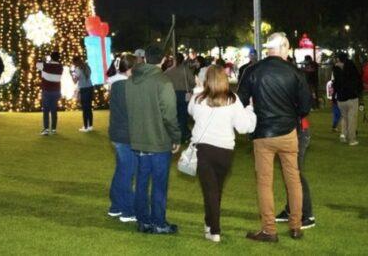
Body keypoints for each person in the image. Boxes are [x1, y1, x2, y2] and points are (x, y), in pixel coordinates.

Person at [238, 33, 312, 242]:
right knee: (293, 179)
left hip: (262, 133)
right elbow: (305, 107)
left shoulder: (252, 70)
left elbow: (240, 100)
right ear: (283, 47)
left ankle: (269, 229)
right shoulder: (295, 72)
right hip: (288, 131)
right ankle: (296, 226)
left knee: (264, 182)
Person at [188, 64, 257, 243]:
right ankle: (210, 225)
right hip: (224, 151)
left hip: (204, 149)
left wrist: (198, 88)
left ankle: (214, 228)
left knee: (211, 190)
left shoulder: (198, 99)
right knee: (215, 189)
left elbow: (190, 112)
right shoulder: (233, 99)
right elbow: (244, 127)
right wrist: (250, 110)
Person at [125, 44, 181, 235]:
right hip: (158, 140)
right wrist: (176, 137)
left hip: (139, 138)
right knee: (158, 184)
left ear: (145, 57)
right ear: (164, 60)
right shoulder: (163, 82)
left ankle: (143, 221)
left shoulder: (131, 81)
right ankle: (158, 222)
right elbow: (170, 115)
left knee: (141, 181)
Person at [107, 54, 138, 223]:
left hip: (117, 133)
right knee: (127, 172)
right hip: (126, 135)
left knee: (121, 171)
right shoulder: (127, 86)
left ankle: (116, 206)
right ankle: (127, 211)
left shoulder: (116, 84)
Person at [164, 52, 195, 142]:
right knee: (183, 116)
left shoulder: (168, 71)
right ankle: (182, 135)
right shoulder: (186, 70)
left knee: (173, 116)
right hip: (184, 94)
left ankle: (174, 135)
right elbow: (192, 82)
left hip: (171, 94)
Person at [333, 52, 362, 145]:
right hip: (351, 96)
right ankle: (352, 139)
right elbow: (357, 80)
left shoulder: (336, 69)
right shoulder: (351, 66)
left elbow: (335, 83)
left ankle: (343, 135)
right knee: (352, 119)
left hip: (341, 97)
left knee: (344, 118)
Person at [36, 51, 63, 135]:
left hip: (47, 90)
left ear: (51, 57)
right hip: (56, 90)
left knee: (46, 110)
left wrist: (43, 59)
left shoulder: (46, 66)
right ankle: (54, 129)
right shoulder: (60, 67)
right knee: (54, 110)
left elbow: (37, 65)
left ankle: (46, 129)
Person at [71, 55, 94, 132]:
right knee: (89, 108)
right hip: (90, 88)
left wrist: (72, 74)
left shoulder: (78, 69)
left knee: (85, 109)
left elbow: (75, 81)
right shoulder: (87, 66)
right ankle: (90, 126)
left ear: (75, 62)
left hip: (84, 89)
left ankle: (85, 127)